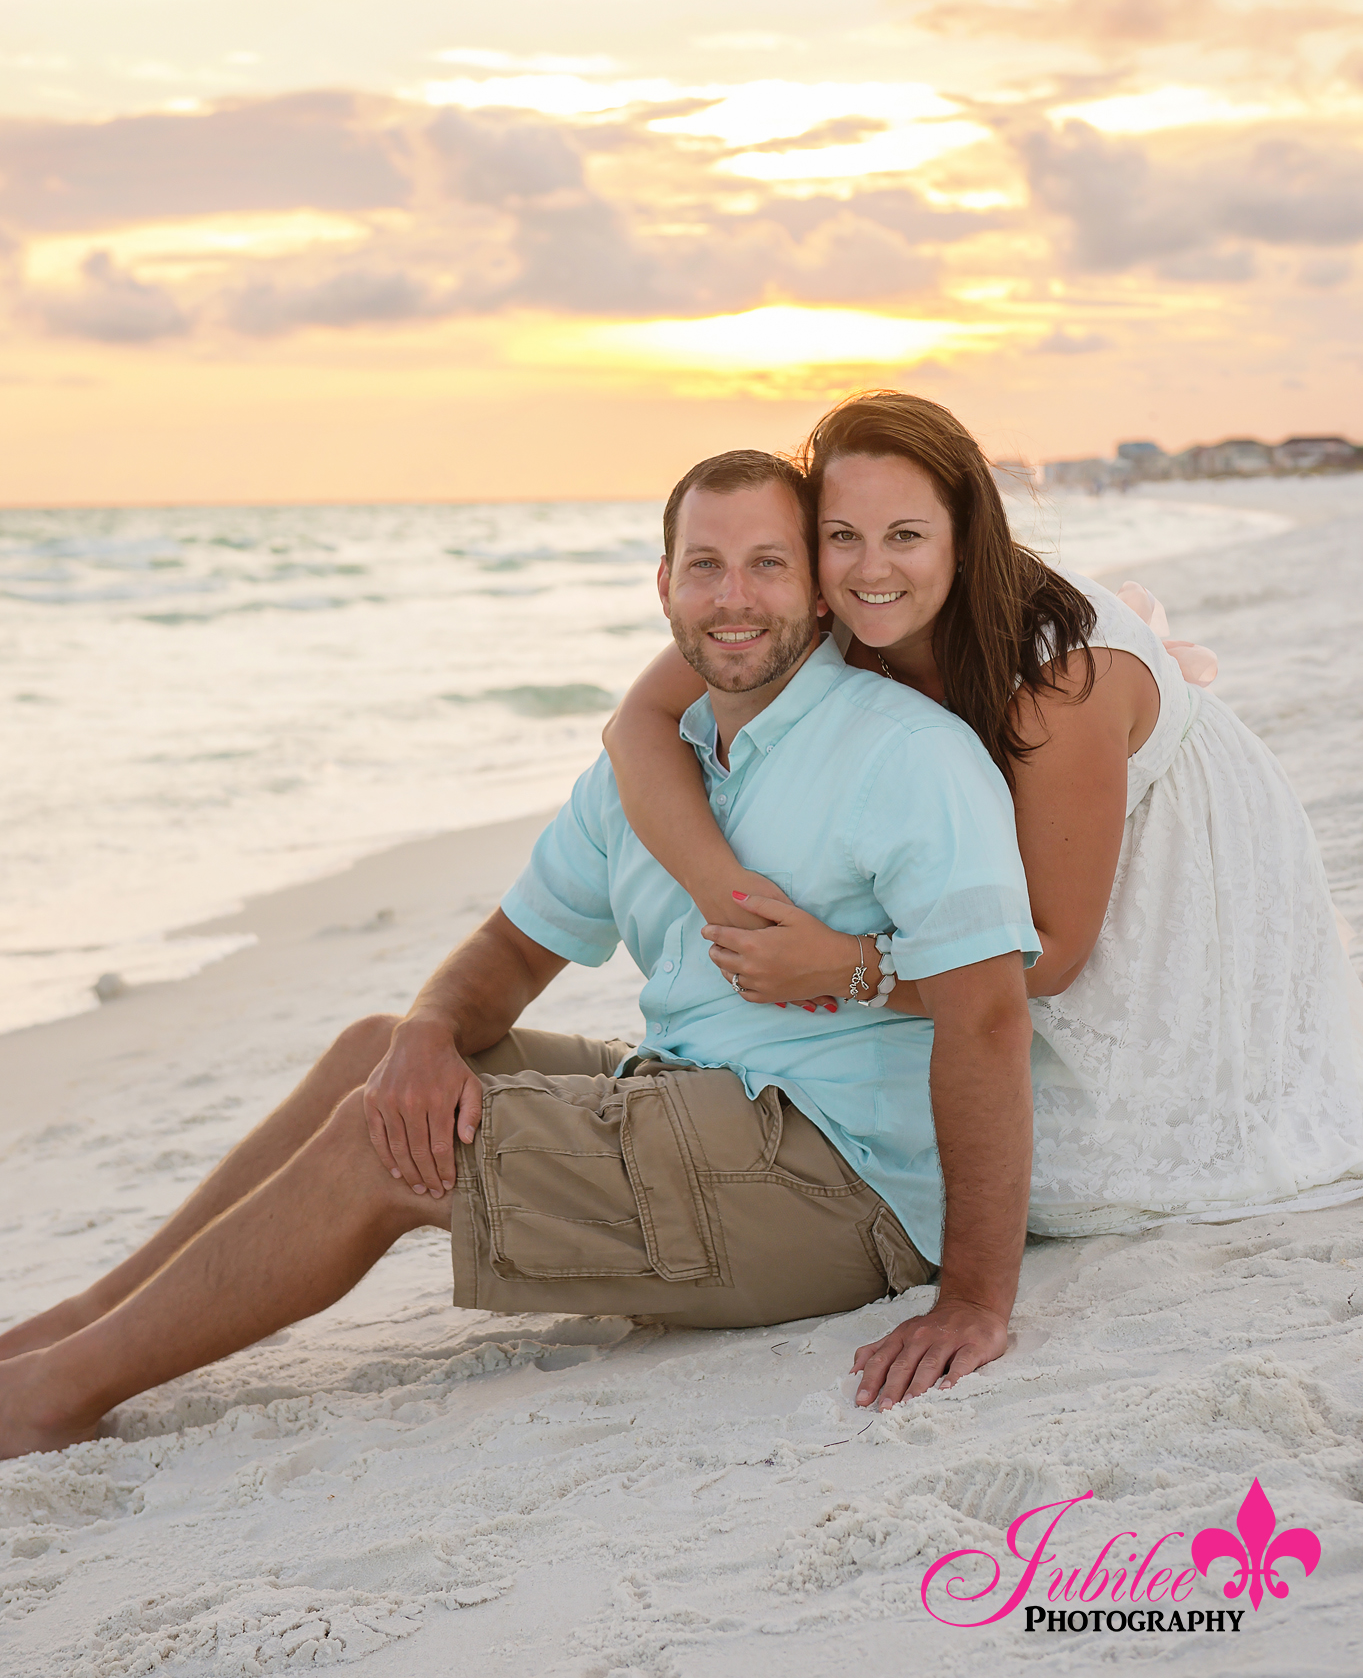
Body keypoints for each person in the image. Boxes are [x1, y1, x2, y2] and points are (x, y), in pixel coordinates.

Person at [0, 448, 1042, 1462]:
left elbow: (989, 1013)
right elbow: (509, 946)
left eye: (768, 562)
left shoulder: (903, 754)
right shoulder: (654, 764)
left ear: (818, 591)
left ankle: (44, 1398)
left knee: (384, 1146)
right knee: (383, 1053)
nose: (734, 595)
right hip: (699, 1102)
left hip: (840, 1181)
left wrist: (974, 1298)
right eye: (704, 564)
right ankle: (81, 1321)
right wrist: (424, 1028)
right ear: (663, 587)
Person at [606, 391, 1363, 1237]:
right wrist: (730, 897)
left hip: (1171, 859)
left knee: (1081, 1166)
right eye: (841, 536)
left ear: (964, 538)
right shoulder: (824, 610)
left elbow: (1052, 954)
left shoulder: (1059, 687)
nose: (869, 570)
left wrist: (843, 966)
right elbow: (634, 724)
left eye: (906, 536)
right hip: (1024, 875)